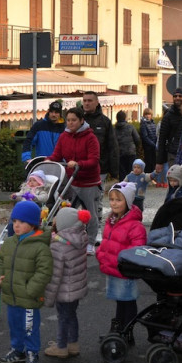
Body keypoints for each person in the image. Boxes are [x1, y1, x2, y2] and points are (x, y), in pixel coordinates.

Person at [0, 201, 53, 363]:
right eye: (15, 221)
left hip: (28, 297)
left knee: (29, 327)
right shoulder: (10, 242)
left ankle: (32, 352)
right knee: (15, 325)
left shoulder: (40, 246)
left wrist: (30, 290)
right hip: (11, 294)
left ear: (33, 224)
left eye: (22, 222)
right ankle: (17, 350)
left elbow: (44, 271)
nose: (16, 225)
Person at [95, 182, 147, 345]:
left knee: (127, 300)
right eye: (111, 199)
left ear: (128, 202)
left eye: (118, 200)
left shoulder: (135, 225)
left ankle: (126, 330)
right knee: (120, 300)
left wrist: (122, 260)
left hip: (124, 270)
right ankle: (119, 328)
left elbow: (138, 249)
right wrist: (101, 254)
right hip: (113, 268)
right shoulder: (111, 220)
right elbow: (106, 242)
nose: (114, 203)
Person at [47, 107, 102, 255]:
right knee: (65, 211)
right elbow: (57, 155)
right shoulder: (64, 136)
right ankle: (66, 237)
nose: (70, 123)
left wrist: (79, 164)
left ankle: (90, 242)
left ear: (81, 120)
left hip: (88, 181)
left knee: (90, 213)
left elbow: (94, 159)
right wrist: (47, 160)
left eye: (74, 120)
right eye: (68, 120)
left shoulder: (90, 138)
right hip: (71, 181)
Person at [42, 207, 91, 358]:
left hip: (63, 291)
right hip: (76, 289)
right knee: (71, 315)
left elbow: (55, 276)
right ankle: (73, 344)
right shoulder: (80, 238)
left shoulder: (59, 246)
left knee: (63, 318)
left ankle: (61, 347)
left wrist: (48, 298)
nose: (54, 221)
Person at [81, 90, 119, 228]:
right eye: (84, 100)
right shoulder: (77, 120)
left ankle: (95, 228)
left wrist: (114, 172)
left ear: (96, 103)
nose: (86, 103)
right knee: (79, 199)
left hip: (99, 168)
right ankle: (81, 228)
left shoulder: (105, 122)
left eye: (90, 100)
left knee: (97, 199)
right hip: (79, 168)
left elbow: (112, 146)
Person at [155, 88, 182, 178]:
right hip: (173, 153)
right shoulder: (168, 116)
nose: (177, 98)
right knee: (174, 180)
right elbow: (162, 139)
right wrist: (160, 161)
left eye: (180, 96)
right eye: (175, 96)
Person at [114, 110, 141, 181]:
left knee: (122, 174)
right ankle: (131, 188)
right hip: (131, 152)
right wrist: (135, 147)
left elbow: (112, 142)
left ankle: (123, 189)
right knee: (132, 172)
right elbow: (137, 139)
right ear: (125, 118)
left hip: (120, 154)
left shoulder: (114, 129)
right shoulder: (130, 127)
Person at [139, 107, 157, 172]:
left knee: (154, 164)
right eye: (146, 114)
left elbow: (155, 134)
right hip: (148, 147)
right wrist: (153, 144)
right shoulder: (143, 124)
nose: (147, 116)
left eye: (149, 114)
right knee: (148, 164)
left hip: (154, 146)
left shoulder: (153, 123)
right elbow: (145, 137)